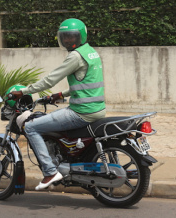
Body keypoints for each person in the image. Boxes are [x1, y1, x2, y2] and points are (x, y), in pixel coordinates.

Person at [9, 18, 106, 190]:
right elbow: (87, 84)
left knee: (31, 127)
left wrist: (24, 91)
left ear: (80, 36)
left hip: (81, 112)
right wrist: (62, 94)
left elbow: (50, 80)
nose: (68, 40)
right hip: (97, 109)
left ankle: (50, 171)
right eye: (65, 36)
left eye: (72, 37)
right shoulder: (91, 52)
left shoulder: (75, 56)